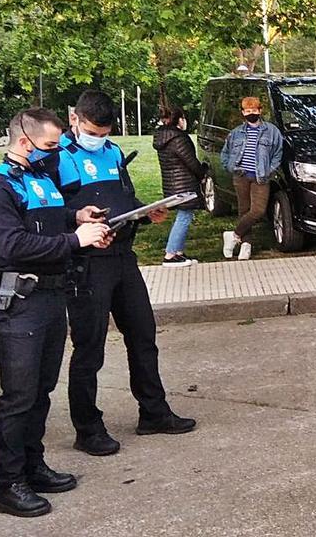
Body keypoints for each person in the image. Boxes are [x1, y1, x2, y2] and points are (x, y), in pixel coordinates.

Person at [0, 107, 112, 517]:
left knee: (41, 390)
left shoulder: (39, 178)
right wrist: (76, 240)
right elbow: (12, 245)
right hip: (20, 303)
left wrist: (76, 218)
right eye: (50, 145)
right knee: (18, 396)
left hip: (52, 297)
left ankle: (33, 467)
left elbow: (48, 221)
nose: (55, 152)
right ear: (24, 141)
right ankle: (8, 484)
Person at [57, 90, 196, 458]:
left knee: (143, 334)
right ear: (74, 119)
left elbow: (124, 197)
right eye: (92, 132)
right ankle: (88, 429)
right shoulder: (58, 157)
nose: (98, 139)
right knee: (90, 347)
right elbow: (54, 212)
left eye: (104, 134)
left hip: (122, 256)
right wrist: (78, 223)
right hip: (87, 262)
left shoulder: (114, 152)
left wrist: (145, 211)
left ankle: (154, 412)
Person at [220, 96, 284, 260]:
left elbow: (277, 153)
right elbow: (225, 153)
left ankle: (233, 235)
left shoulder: (272, 131)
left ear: (260, 111)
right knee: (244, 210)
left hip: (261, 176)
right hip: (241, 176)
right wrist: (230, 167)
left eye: (254, 110)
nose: (251, 113)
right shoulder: (236, 133)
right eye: (247, 111)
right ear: (243, 112)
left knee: (258, 210)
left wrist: (269, 170)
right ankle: (246, 245)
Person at [153, 105, 206, 267]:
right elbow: (191, 162)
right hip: (184, 184)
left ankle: (178, 252)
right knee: (184, 217)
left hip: (171, 183)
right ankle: (170, 254)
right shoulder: (179, 139)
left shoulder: (162, 138)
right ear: (180, 120)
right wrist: (203, 173)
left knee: (184, 215)